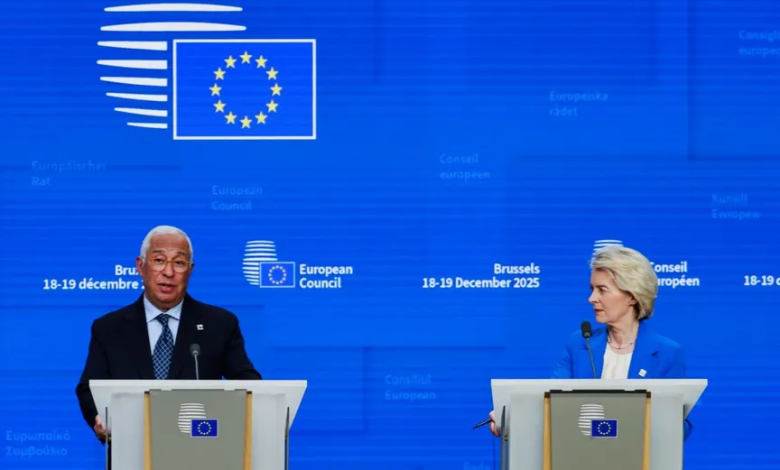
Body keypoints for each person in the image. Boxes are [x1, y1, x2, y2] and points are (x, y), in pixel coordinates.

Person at [75, 225, 262, 443]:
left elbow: (248, 383)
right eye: (159, 260)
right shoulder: (109, 328)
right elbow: (89, 387)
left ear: (190, 270)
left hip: (201, 448)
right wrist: (98, 417)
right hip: (131, 446)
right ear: (140, 266)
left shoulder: (219, 324)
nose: (169, 272)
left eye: (179, 263)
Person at [487, 245, 693, 440]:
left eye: (602, 290)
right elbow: (551, 402)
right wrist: (513, 419)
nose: (592, 298)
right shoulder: (579, 343)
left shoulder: (666, 353)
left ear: (632, 296)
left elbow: (679, 426)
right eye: (592, 289)